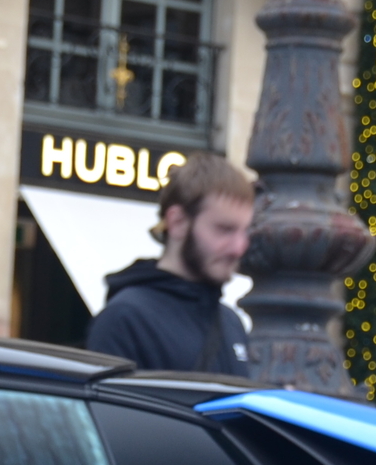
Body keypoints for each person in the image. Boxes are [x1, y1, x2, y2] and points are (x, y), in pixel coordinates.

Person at [86, 153, 254, 374]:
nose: (239, 248)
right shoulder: (125, 320)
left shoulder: (231, 323)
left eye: (245, 232)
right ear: (178, 222)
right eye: (224, 229)